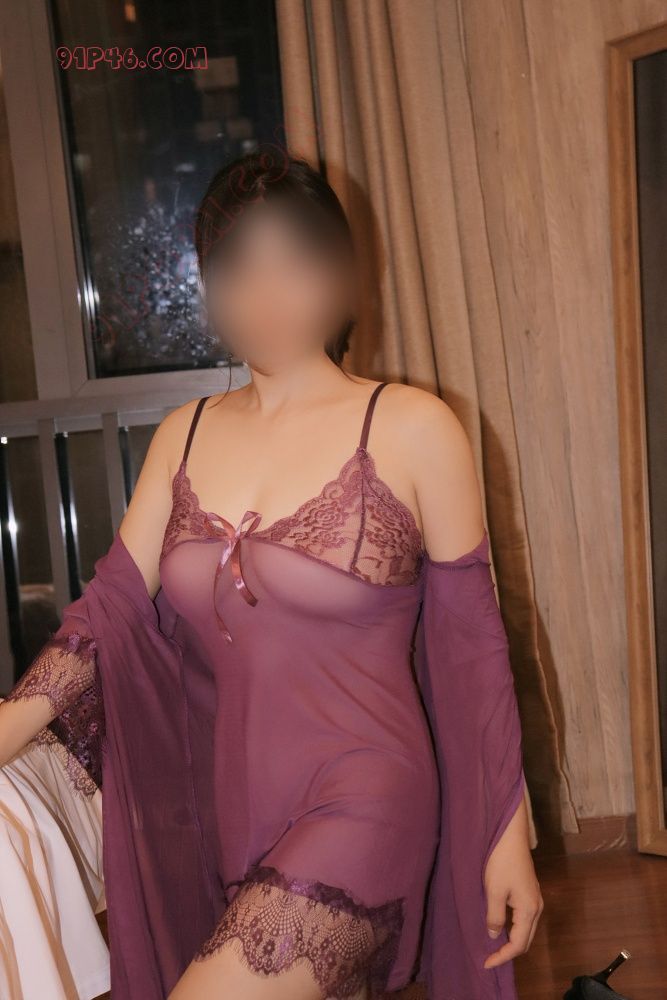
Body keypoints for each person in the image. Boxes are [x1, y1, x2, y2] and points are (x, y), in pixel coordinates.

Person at [0, 150, 542, 1000]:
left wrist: (507, 836)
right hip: (235, 809)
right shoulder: (182, 435)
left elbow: (475, 650)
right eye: (239, 269)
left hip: (371, 798)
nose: (266, 293)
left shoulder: (411, 426)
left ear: (339, 276)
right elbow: (105, 616)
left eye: (293, 263)